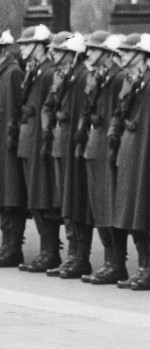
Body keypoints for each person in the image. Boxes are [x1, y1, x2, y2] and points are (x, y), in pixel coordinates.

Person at [112, 33, 150, 290]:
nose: (122, 55)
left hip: (147, 157)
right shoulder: (132, 80)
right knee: (131, 212)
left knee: (149, 212)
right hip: (130, 154)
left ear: (140, 54)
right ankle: (142, 266)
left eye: (127, 51)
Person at [79, 32, 127, 285]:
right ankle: (110, 261)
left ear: (108, 53)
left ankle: (116, 262)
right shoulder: (97, 76)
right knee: (99, 206)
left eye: (95, 50)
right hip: (94, 145)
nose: (89, 54)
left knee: (109, 206)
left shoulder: (118, 77)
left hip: (107, 147)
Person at [46, 32, 91, 279]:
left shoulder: (82, 76)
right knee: (65, 200)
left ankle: (79, 256)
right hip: (61, 144)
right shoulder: (62, 75)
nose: (52, 53)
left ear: (71, 53)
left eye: (57, 50)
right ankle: (72, 254)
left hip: (73, 147)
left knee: (76, 200)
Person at [15, 25, 59, 273]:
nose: (21, 47)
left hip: (38, 143)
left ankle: (50, 251)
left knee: (43, 197)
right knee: (35, 198)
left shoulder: (46, 73)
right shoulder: (34, 71)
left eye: (26, 43)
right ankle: (47, 251)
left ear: (40, 46)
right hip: (28, 141)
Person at [0, 29, 26, 268]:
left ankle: (13, 247)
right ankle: (6, 245)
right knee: (3, 196)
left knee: (12, 196)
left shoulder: (13, 72)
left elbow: (19, 108)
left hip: (9, 143)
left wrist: (13, 135)